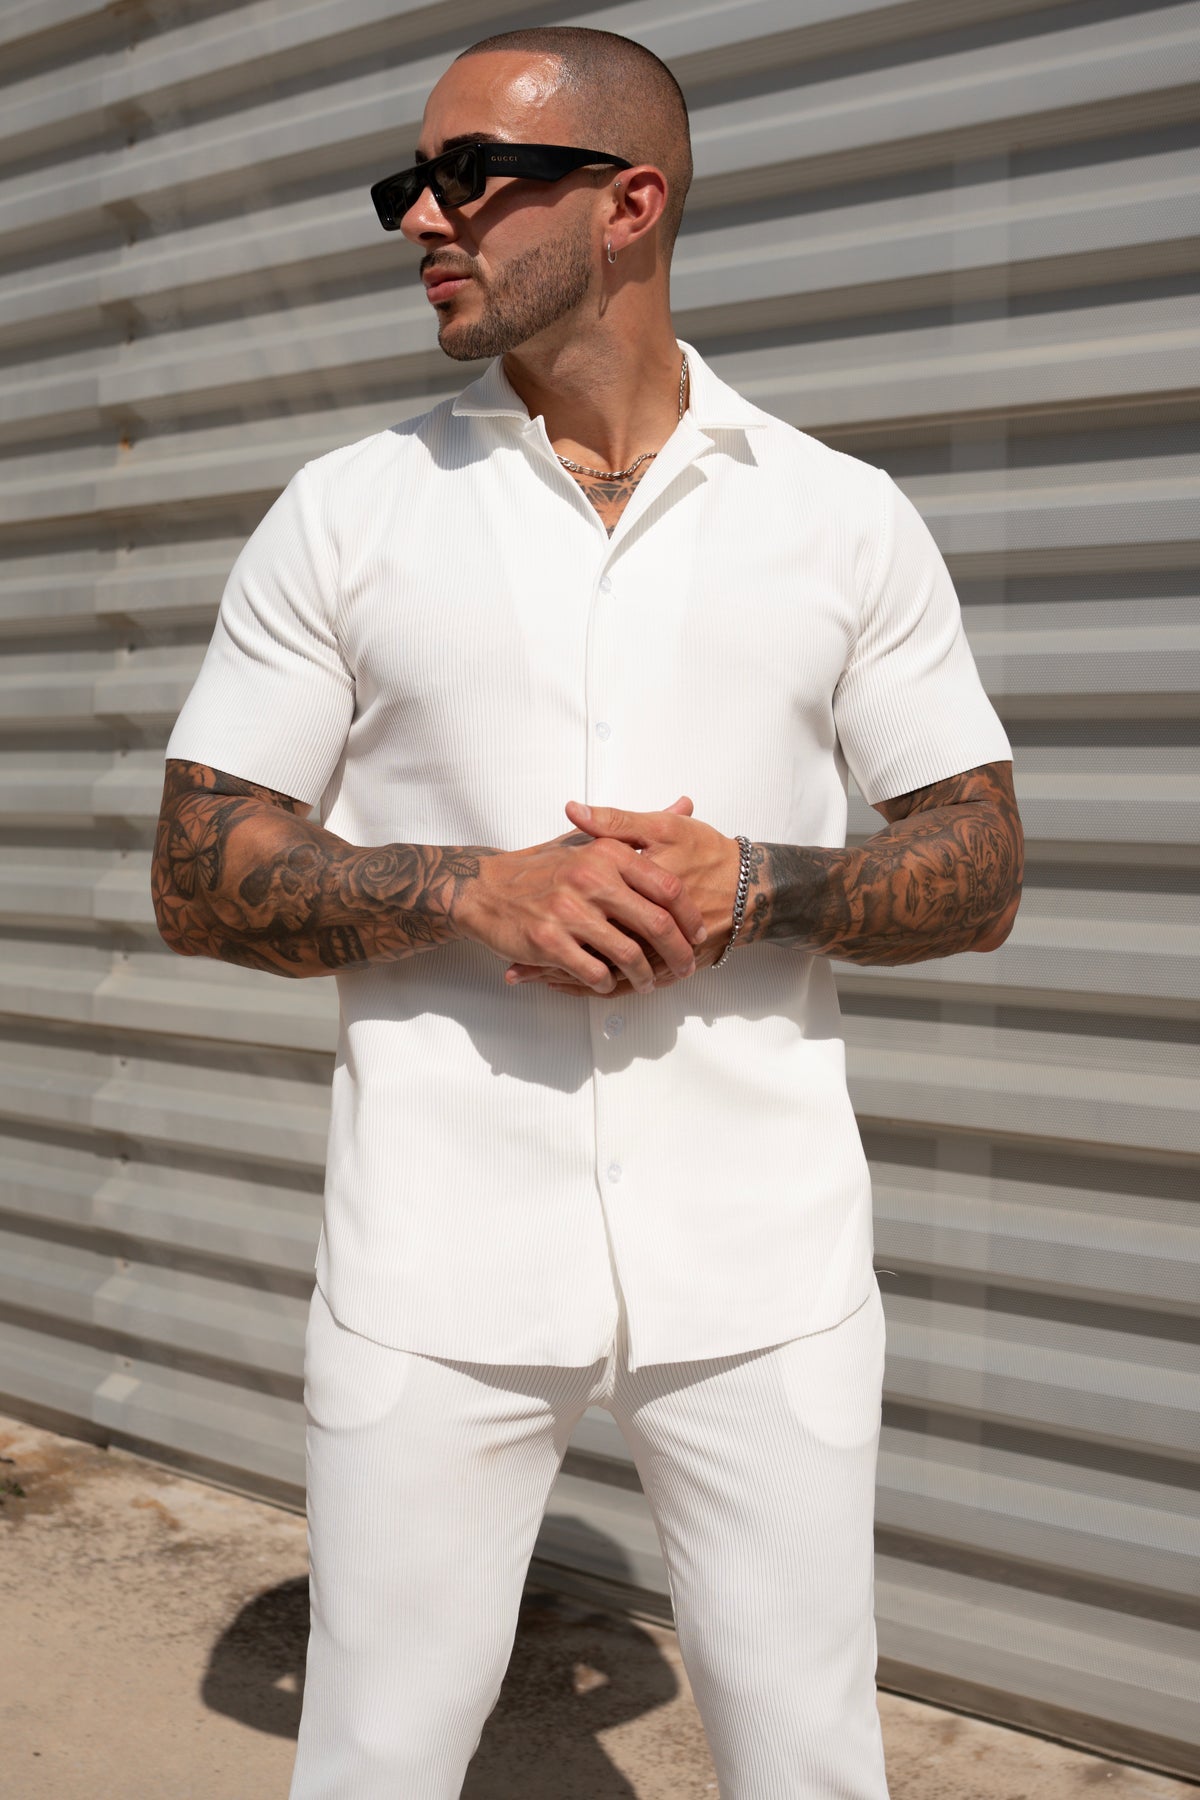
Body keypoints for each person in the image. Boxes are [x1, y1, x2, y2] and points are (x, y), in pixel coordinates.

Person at [152, 25, 1023, 1800]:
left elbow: (983, 857)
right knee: (377, 1759)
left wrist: (761, 883)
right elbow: (192, 864)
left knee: (810, 1758)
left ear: (629, 203)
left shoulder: (844, 519)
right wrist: (466, 886)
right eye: (411, 184)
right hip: (434, 1267)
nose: (421, 218)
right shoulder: (347, 514)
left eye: (469, 175)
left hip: (767, 1267)